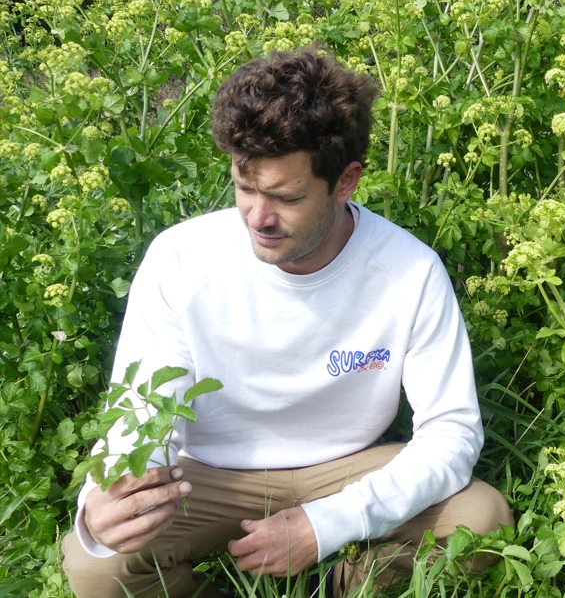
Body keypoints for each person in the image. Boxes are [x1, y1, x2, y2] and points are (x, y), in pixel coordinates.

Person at [62, 48, 513, 598]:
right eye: (245, 189)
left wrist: (328, 525)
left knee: (482, 519)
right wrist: (105, 502)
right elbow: (144, 408)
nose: (259, 218)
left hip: (347, 467)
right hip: (209, 475)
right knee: (94, 566)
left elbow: (451, 433)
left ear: (345, 182)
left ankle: (340, 588)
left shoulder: (407, 270)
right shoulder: (181, 258)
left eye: (286, 197)